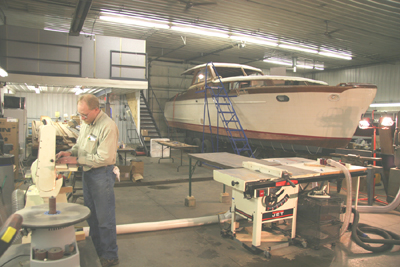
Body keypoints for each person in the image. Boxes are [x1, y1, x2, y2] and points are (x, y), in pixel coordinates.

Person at [56, 94, 119, 267]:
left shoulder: (108, 126)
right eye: (80, 114)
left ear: (96, 110)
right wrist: (70, 152)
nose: (82, 118)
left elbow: (104, 158)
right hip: (87, 173)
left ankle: (110, 255)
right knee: (91, 216)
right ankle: (97, 249)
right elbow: (80, 146)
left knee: (104, 219)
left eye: (85, 114)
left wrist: (77, 160)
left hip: (101, 175)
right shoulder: (85, 123)